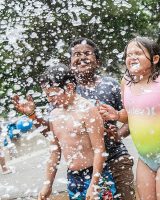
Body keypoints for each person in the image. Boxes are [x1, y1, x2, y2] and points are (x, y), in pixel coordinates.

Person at [13, 38, 135, 199]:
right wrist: (32, 115)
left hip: (114, 156)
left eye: (87, 53)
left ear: (97, 61)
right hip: (81, 169)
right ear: (70, 63)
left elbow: (133, 118)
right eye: (76, 54)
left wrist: (118, 134)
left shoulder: (110, 85)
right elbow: (55, 134)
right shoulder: (58, 99)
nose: (81, 58)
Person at [99, 36, 160, 200]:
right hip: (145, 158)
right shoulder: (126, 83)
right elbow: (132, 115)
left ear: (155, 59)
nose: (132, 57)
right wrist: (116, 114)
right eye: (129, 55)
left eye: (138, 53)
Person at [37, 64, 115, 200]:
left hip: (95, 175)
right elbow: (55, 152)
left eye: (52, 94)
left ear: (69, 87)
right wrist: (47, 184)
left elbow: (99, 149)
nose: (49, 99)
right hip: (73, 177)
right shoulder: (54, 115)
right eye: (47, 95)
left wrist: (94, 184)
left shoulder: (87, 110)